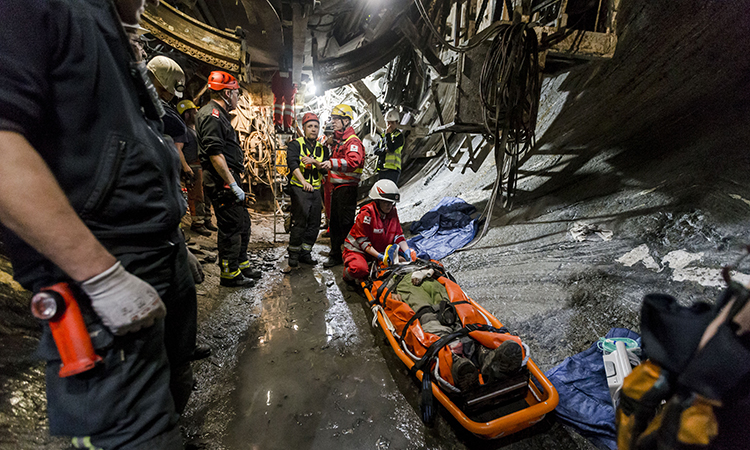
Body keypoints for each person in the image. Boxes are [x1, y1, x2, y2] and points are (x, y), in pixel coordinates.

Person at [0, 0, 195, 448]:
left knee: (172, 391)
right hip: (101, 273)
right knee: (131, 433)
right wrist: (100, 275)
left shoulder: (109, 28)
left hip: (157, 256)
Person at [196, 70, 262, 287]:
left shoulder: (220, 115)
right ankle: (229, 274)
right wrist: (232, 184)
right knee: (231, 226)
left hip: (229, 178)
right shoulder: (211, 115)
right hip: (221, 181)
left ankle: (241, 264)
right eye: (236, 93)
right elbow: (215, 154)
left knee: (243, 222)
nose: (237, 98)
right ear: (226, 94)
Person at [342, 179, 414, 281]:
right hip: (357, 250)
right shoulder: (366, 214)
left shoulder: (392, 212)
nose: (389, 205)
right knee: (360, 269)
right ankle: (347, 276)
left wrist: (407, 251)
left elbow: (398, 236)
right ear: (377, 201)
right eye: (385, 202)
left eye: (391, 202)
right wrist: (380, 257)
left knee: (408, 258)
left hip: (378, 250)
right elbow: (363, 242)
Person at [320, 104, 365, 268]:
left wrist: (331, 163)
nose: (333, 122)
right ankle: (336, 255)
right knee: (335, 224)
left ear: (346, 120)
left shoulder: (352, 142)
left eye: (336, 119)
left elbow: (354, 162)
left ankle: (348, 256)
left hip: (347, 190)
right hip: (338, 189)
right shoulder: (340, 141)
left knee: (344, 224)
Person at [286, 113, 328, 267]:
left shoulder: (322, 149)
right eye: (310, 126)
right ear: (303, 128)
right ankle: (293, 254)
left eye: (316, 126)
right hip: (299, 189)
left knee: (314, 223)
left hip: (315, 190)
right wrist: (303, 182)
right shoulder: (295, 145)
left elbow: (324, 170)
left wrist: (315, 162)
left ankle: (305, 252)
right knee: (300, 222)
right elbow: (293, 164)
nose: (313, 129)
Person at [177, 99, 216, 236]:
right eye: (195, 111)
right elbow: (178, 149)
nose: (197, 113)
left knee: (206, 195)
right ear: (187, 114)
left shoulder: (194, 129)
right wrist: (186, 167)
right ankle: (197, 224)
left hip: (201, 166)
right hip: (192, 166)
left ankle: (206, 220)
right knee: (196, 196)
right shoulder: (183, 130)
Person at [375, 109, 405, 184]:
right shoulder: (382, 136)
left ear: (397, 122)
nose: (390, 125)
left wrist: (388, 135)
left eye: (392, 123)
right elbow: (375, 150)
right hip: (382, 169)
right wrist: (384, 150)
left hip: (393, 170)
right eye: (388, 123)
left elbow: (391, 148)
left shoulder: (398, 136)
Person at [271, 69, 297, 134]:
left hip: (278, 71)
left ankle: (278, 125)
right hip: (291, 72)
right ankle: (287, 127)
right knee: (289, 100)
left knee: (278, 98)